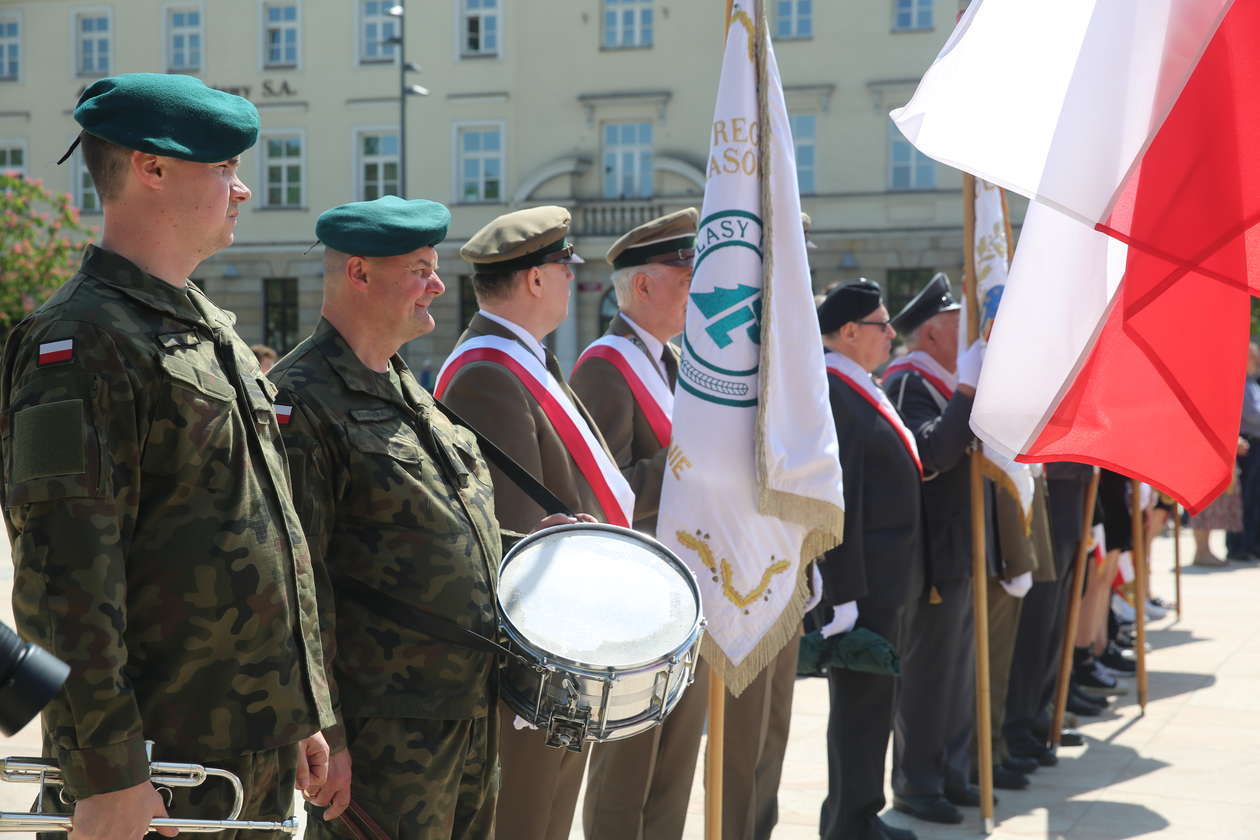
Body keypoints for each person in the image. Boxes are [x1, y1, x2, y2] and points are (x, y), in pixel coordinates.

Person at [0, 73, 333, 840]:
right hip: (155, 775)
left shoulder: (210, 329)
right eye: (222, 167)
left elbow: (261, 535)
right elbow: (65, 578)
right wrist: (109, 772)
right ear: (151, 168)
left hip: (238, 762)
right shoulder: (80, 339)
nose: (243, 189)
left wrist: (296, 711)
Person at [270, 197, 585, 839]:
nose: (438, 286)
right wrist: (329, 732)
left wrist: (527, 546)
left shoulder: (405, 386)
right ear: (359, 273)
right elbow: (296, 580)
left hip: (463, 711)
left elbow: (431, 531)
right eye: (420, 269)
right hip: (382, 728)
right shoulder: (301, 400)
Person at [436, 206, 632, 840]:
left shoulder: (525, 360)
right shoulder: (491, 372)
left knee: (547, 816)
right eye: (563, 267)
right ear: (536, 280)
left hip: (565, 654)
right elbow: (519, 540)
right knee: (525, 818)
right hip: (537, 660)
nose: (572, 279)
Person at [570, 209, 703, 840]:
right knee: (628, 775)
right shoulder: (605, 364)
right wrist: (686, 462)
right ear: (642, 286)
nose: (698, 290)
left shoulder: (670, 360)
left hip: (683, 590)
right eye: (686, 277)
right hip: (637, 602)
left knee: (674, 768)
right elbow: (601, 491)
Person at [814, 280, 921, 840]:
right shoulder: (836, 390)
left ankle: (858, 816)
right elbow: (842, 498)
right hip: (864, 586)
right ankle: (850, 825)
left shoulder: (858, 385)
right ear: (850, 332)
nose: (892, 333)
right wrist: (843, 594)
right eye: (882, 324)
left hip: (883, 580)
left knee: (872, 705)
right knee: (860, 706)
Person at [883, 273, 986, 826]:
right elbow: (930, 454)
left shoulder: (943, 380)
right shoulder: (907, 380)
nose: (965, 332)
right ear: (929, 334)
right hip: (928, 551)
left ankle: (952, 771)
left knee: (958, 668)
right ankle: (917, 784)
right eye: (955, 323)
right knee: (928, 672)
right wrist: (967, 394)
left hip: (957, 544)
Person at [1227, 341, 1260, 562]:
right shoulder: (1240, 382)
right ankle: (1238, 546)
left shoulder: (1252, 383)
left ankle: (1250, 543)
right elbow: (1252, 414)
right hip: (1245, 447)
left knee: (1253, 498)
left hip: (1254, 445)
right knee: (1243, 498)